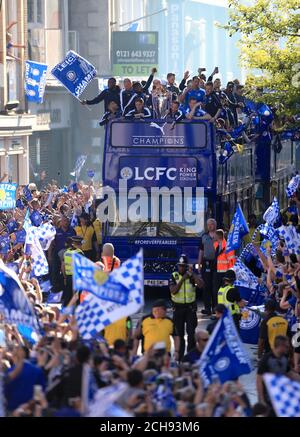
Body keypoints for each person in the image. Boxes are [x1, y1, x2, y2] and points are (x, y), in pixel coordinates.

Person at [169, 254, 204, 360]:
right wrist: (183, 279)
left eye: (183, 266)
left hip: (190, 309)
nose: (181, 268)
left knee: (191, 333)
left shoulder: (191, 276)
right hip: (178, 309)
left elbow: (202, 285)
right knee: (179, 335)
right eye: (180, 266)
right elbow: (173, 291)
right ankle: (179, 358)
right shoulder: (174, 276)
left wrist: (193, 274)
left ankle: (190, 357)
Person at [256, 335, 300, 415]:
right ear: (280, 346)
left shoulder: (283, 358)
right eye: (286, 346)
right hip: (268, 397)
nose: (288, 348)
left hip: (280, 397)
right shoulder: (267, 359)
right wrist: (261, 399)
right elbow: (259, 380)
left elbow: (290, 374)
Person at [198, 218, 218, 316]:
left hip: (217, 263)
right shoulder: (204, 236)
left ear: (215, 225)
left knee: (215, 287)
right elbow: (201, 251)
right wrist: (199, 264)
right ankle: (207, 308)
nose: (210, 226)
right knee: (206, 286)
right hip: (206, 263)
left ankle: (215, 308)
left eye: (211, 224)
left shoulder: (219, 236)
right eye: (208, 224)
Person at [213, 229, 236, 312]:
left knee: (226, 292)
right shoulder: (216, 245)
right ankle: (217, 310)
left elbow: (231, 261)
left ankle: (225, 310)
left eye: (215, 235)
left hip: (225, 273)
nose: (213, 236)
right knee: (216, 292)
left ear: (218, 236)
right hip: (217, 272)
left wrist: (231, 273)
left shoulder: (228, 247)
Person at [60, 236, 84, 306]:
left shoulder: (66, 252)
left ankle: (65, 312)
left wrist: (64, 277)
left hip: (68, 277)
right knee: (77, 297)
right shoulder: (80, 253)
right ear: (80, 244)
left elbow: (63, 266)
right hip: (76, 278)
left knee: (68, 296)